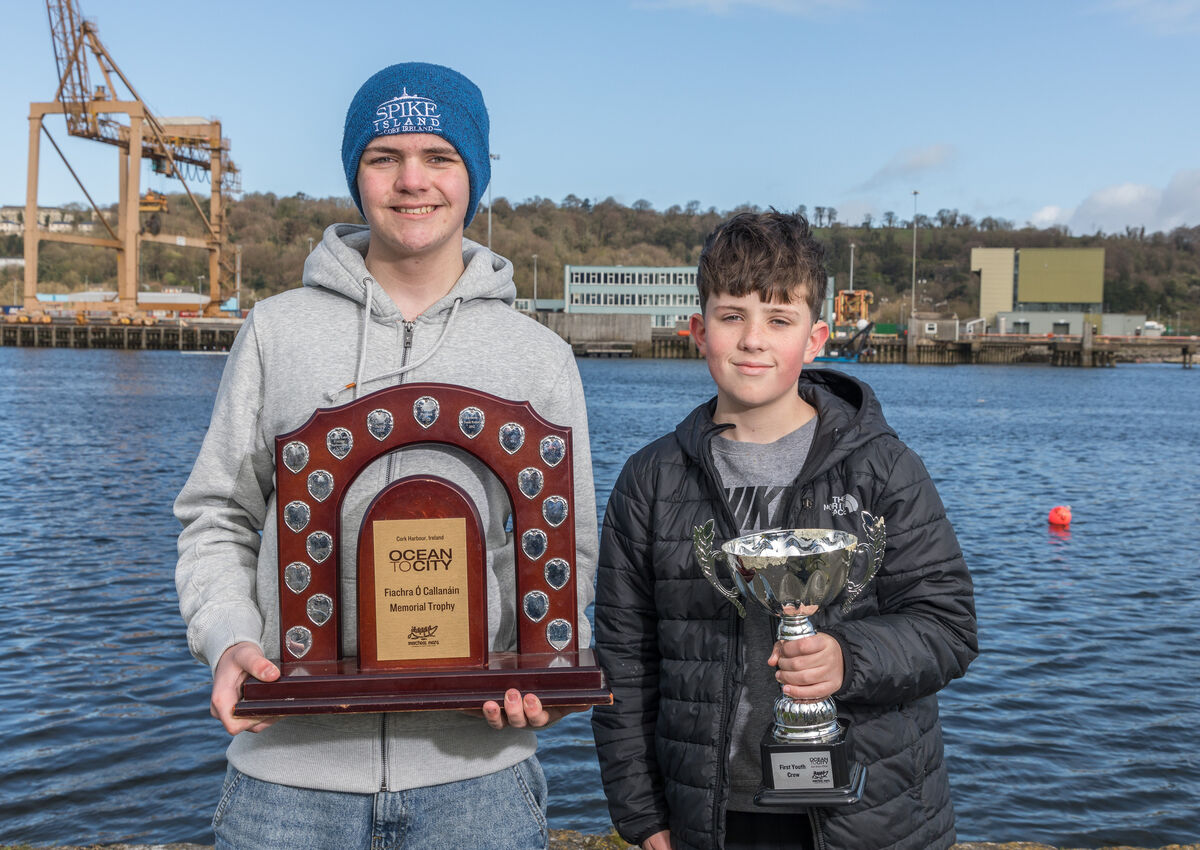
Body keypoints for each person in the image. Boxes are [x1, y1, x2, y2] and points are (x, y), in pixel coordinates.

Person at [174, 62, 597, 850]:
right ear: (355, 175)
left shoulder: (537, 357)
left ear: (473, 174)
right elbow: (217, 517)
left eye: (439, 157)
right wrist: (230, 636)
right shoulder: (276, 330)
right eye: (384, 157)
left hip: (479, 783)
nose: (412, 181)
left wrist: (548, 668)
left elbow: (565, 547)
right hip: (288, 783)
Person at [591, 212, 977, 850]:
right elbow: (625, 663)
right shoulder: (649, 481)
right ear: (697, 330)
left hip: (872, 819)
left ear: (816, 337)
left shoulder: (884, 467)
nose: (752, 340)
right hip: (712, 817)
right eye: (731, 315)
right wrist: (642, 814)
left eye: (778, 319)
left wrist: (847, 659)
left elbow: (949, 625)